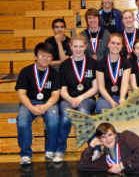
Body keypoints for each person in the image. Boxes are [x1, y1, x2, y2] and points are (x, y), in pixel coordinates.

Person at [54, 34, 98, 163]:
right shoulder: (64, 65)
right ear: (71, 47)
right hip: (67, 99)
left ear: (85, 47)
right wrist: (70, 99)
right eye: (75, 46)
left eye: (80, 46)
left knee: (83, 113)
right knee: (67, 116)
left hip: (86, 98)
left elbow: (95, 88)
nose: (78, 49)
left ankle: (95, 149)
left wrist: (79, 98)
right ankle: (60, 150)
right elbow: (62, 90)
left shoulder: (92, 63)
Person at [15, 42, 60, 165]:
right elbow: (21, 94)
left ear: (51, 58)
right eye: (42, 55)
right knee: (22, 121)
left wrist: (45, 106)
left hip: (48, 103)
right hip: (29, 103)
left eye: (48, 56)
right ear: (35, 56)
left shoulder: (54, 73)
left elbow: (56, 94)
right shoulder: (26, 71)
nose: (45, 58)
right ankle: (25, 154)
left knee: (54, 120)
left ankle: (50, 150)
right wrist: (31, 107)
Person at [95, 33, 131, 114]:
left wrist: (122, 98)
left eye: (118, 44)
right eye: (113, 43)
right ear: (108, 44)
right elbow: (101, 87)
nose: (115, 46)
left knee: (124, 113)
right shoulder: (100, 63)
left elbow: (125, 84)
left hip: (121, 96)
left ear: (122, 46)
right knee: (106, 112)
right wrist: (111, 101)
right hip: (105, 98)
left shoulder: (126, 62)